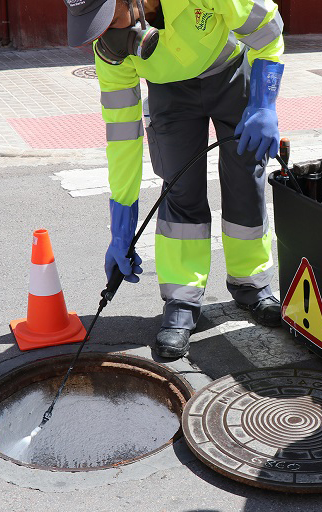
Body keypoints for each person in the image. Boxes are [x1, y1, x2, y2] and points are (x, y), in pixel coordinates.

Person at [64, 0, 285, 358]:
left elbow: (269, 30)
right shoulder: (110, 53)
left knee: (246, 183)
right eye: (97, 27)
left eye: (110, 19)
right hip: (170, 96)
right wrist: (121, 226)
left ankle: (251, 284)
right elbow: (122, 136)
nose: (108, 35)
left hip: (231, 76)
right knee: (180, 191)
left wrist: (264, 102)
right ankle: (182, 300)